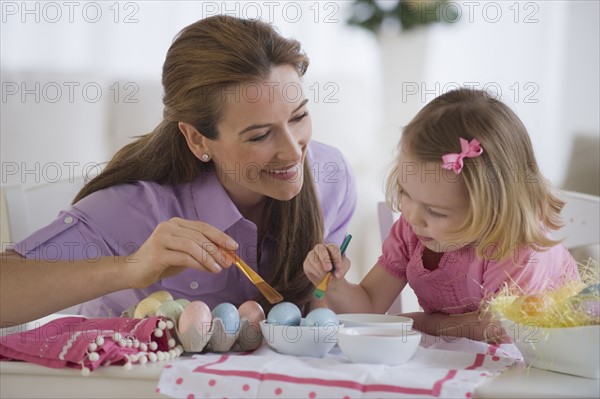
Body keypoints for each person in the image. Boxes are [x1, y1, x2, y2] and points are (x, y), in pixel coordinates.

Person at [0, 15, 356, 326]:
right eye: (260, 135)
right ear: (198, 139)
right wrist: (131, 267)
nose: (294, 151)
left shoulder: (331, 177)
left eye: (299, 117)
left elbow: (321, 313)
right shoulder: (137, 208)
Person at [303, 88, 579, 342]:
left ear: (494, 210)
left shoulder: (516, 248)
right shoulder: (412, 231)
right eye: (406, 193)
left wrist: (425, 323)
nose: (412, 216)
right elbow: (369, 304)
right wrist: (334, 285)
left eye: (436, 212)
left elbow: (502, 328)